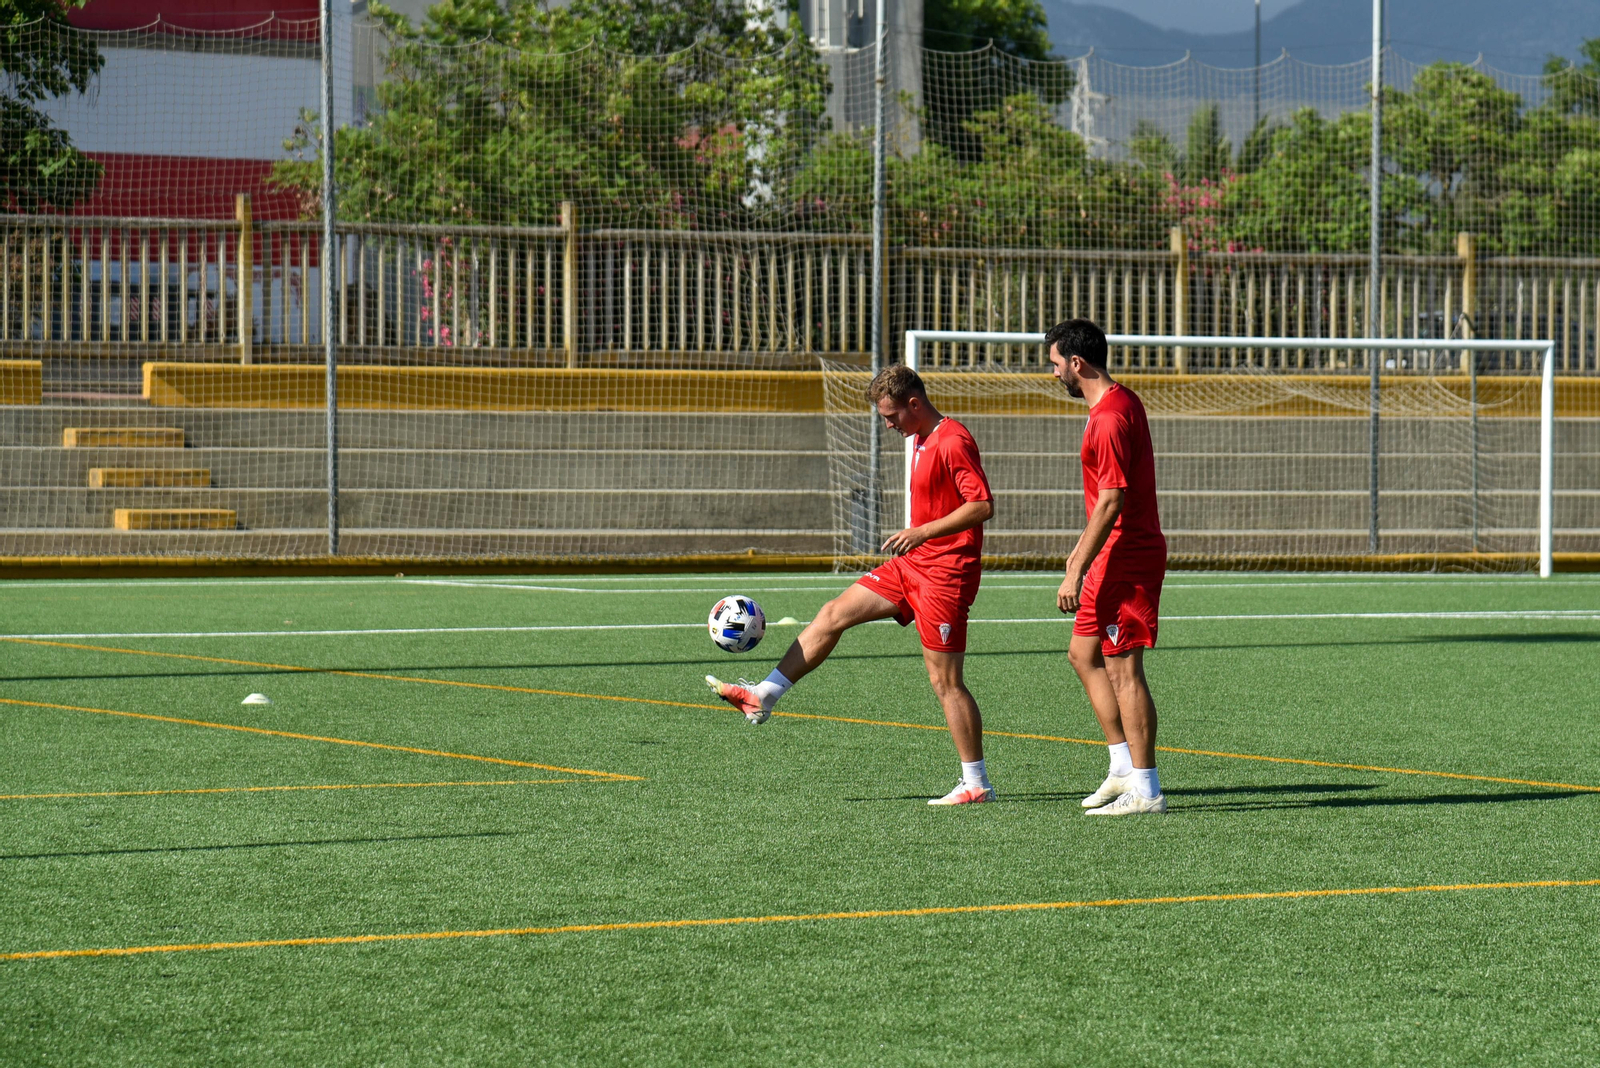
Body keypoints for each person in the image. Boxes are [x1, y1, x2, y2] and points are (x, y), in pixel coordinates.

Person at [706, 364, 998, 805]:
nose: (887, 425)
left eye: (891, 416)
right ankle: (763, 695)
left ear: (914, 404)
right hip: (912, 565)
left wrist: (921, 532)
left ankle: (976, 783)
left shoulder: (952, 439)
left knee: (946, 682)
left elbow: (982, 505)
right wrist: (918, 541)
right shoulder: (918, 437)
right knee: (832, 614)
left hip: (945, 574)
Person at [1046, 318, 1170, 816]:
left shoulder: (1110, 417)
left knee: (1124, 669)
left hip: (1128, 557)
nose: (1054, 375)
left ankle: (1148, 790)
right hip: (1111, 555)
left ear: (1077, 363)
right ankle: (1122, 767)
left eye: (1056, 365)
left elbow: (1111, 499)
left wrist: (1076, 564)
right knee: (1082, 654)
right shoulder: (1117, 403)